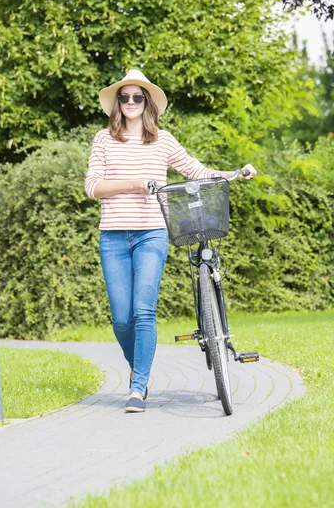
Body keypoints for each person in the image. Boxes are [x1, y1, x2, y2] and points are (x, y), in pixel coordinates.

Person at [84, 69, 257, 413]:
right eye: (125, 97)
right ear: (117, 103)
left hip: (152, 233)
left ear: (147, 102)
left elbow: (197, 170)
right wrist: (134, 184)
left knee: (143, 310)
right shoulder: (104, 139)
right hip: (113, 236)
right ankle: (139, 370)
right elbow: (92, 187)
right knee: (121, 318)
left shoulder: (162, 140)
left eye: (138, 97)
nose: (131, 102)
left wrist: (234, 173)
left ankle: (137, 388)